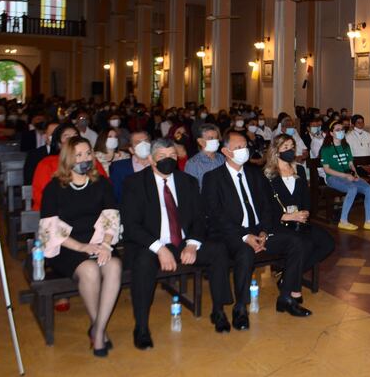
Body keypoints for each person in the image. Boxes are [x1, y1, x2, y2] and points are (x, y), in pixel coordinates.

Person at [121, 139, 232, 349]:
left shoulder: (187, 181)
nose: (168, 160)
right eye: (162, 157)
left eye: (172, 156)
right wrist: (159, 248)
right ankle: (141, 326)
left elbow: (199, 218)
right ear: (151, 159)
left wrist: (192, 244)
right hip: (150, 244)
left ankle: (218, 311)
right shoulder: (134, 183)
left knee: (218, 250)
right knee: (143, 263)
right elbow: (132, 225)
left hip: (182, 242)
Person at [202, 132, 312, 331]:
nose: (244, 150)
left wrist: (263, 231)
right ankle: (240, 308)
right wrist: (245, 236)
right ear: (226, 151)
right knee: (245, 252)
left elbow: (266, 206)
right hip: (232, 235)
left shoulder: (255, 174)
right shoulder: (213, 178)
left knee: (295, 241)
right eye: (238, 148)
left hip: (259, 232)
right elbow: (216, 215)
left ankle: (286, 297)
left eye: (245, 146)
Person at [38, 136, 121, 357]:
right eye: (79, 155)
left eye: (88, 154)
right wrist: (82, 247)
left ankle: (97, 330)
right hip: (66, 246)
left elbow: (111, 216)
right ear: (68, 159)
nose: (85, 159)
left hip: (98, 241)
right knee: (90, 270)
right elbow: (49, 228)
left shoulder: (101, 183)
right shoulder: (54, 188)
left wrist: (105, 245)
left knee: (113, 266)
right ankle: (99, 330)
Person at [263, 135, 335, 298]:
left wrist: (305, 213)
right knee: (304, 244)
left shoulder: (300, 170)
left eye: (292, 147)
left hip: (299, 222)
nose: (290, 150)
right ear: (276, 151)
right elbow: (265, 207)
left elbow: (306, 199)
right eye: (285, 147)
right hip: (279, 223)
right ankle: (293, 288)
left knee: (327, 243)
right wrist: (287, 217)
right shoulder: (267, 175)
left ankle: (287, 276)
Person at [321, 121, 370, 232]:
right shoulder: (326, 149)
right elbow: (327, 169)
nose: (341, 132)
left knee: (369, 189)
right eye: (337, 130)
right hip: (333, 177)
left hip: (347, 176)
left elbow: (351, 164)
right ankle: (343, 221)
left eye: (342, 130)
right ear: (331, 133)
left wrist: (356, 174)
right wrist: (345, 175)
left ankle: (369, 221)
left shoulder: (346, 146)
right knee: (352, 188)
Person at [32, 123, 106, 211]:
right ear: (59, 144)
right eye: (67, 137)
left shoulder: (90, 160)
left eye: (75, 136)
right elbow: (41, 196)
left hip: (91, 209)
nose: (73, 140)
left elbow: (104, 187)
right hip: (56, 211)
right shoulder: (47, 164)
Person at [109, 131, 152, 202]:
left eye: (146, 141)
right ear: (131, 150)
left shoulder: (160, 164)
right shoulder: (118, 168)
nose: (143, 144)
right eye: (138, 142)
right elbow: (116, 196)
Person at [184, 124, 225, 190]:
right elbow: (190, 190)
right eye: (211, 138)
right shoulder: (193, 164)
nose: (215, 141)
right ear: (200, 141)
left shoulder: (222, 158)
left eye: (216, 138)